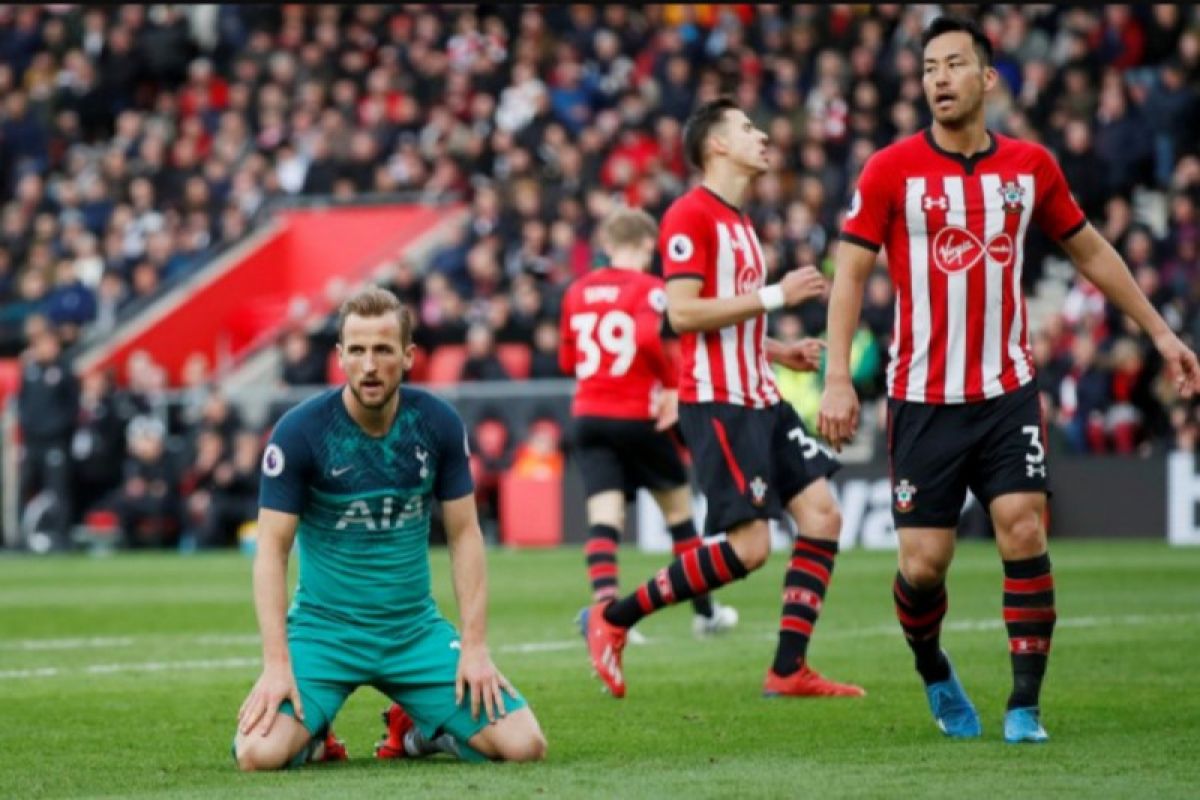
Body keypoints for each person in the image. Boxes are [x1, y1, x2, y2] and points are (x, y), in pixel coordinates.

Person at [819, 16, 1200, 744]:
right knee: (923, 566)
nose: (939, 77)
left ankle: (1025, 705)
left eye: (955, 64)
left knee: (1022, 527)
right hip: (922, 396)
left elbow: (1090, 251)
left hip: (1005, 390)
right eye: (929, 66)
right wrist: (839, 377)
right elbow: (851, 275)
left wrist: (1160, 332)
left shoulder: (1030, 166)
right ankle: (934, 668)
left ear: (988, 78)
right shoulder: (889, 169)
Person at [580, 97, 865, 700]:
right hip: (720, 403)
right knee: (751, 548)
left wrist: (777, 350)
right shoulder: (689, 215)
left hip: (760, 395)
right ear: (717, 145)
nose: (762, 135)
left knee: (822, 516)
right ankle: (613, 618)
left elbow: (724, 320)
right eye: (747, 128)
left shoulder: (738, 222)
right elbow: (681, 314)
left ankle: (789, 668)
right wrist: (774, 297)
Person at [234, 286, 546, 770]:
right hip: (324, 632)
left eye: (382, 349)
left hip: (412, 632)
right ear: (339, 357)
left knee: (525, 746)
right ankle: (315, 738)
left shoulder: (437, 423)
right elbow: (272, 550)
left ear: (408, 356)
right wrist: (277, 666)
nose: (370, 364)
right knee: (258, 754)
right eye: (356, 350)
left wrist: (476, 648)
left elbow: (465, 535)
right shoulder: (300, 433)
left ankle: (417, 731)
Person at [560, 205, 738, 641]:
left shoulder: (576, 291)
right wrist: (669, 383)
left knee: (605, 517)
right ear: (646, 244)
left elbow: (568, 359)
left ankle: (604, 613)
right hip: (638, 415)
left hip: (588, 415)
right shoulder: (651, 288)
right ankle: (705, 612)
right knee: (679, 515)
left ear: (606, 245)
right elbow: (644, 337)